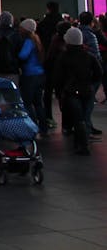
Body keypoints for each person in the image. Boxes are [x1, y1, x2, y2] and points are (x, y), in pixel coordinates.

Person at [54, 25, 103, 155]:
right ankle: (84, 143)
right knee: (85, 117)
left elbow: (58, 77)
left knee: (78, 118)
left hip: (71, 91)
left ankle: (81, 144)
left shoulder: (63, 57)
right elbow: (99, 73)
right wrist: (91, 84)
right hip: (87, 90)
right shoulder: (89, 56)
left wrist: (60, 92)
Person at [16, 18, 47, 132]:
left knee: (28, 102)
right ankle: (44, 127)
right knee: (38, 103)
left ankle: (33, 126)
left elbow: (23, 55)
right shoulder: (37, 39)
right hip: (40, 74)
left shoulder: (29, 41)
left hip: (30, 75)